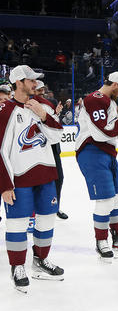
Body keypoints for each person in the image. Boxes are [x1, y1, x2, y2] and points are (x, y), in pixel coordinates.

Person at [0, 65, 64, 292]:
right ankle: (17, 266)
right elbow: (1, 151)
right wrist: (5, 185)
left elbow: (57, 137)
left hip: (46, 175)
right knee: (17, 225)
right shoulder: (5, 111)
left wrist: (43, 114)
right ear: (19, 82)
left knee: (46, 220)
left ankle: (41, 259)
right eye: (31, 81)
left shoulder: (43, 105)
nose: (36, 84)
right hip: (20, 179)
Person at [75, 71, 118, 262]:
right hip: (92, 152)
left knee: (117, 197)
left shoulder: (109, 102)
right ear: (116, 84)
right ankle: (101, 241)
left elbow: (108, 131)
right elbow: (101, 133)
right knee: (105, 200)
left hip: (106, 152)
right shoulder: (94, 99)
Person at [34, 81, 67, 220]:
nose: (42, 92)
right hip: (40, 147)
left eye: (43, 89)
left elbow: (53, 123)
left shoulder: (49, 104)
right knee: (38, 181)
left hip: (53, 147)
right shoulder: (31, 104)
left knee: (59, 177)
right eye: (39, 89)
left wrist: (56, 113)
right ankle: (35, 210)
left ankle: (55, 206)